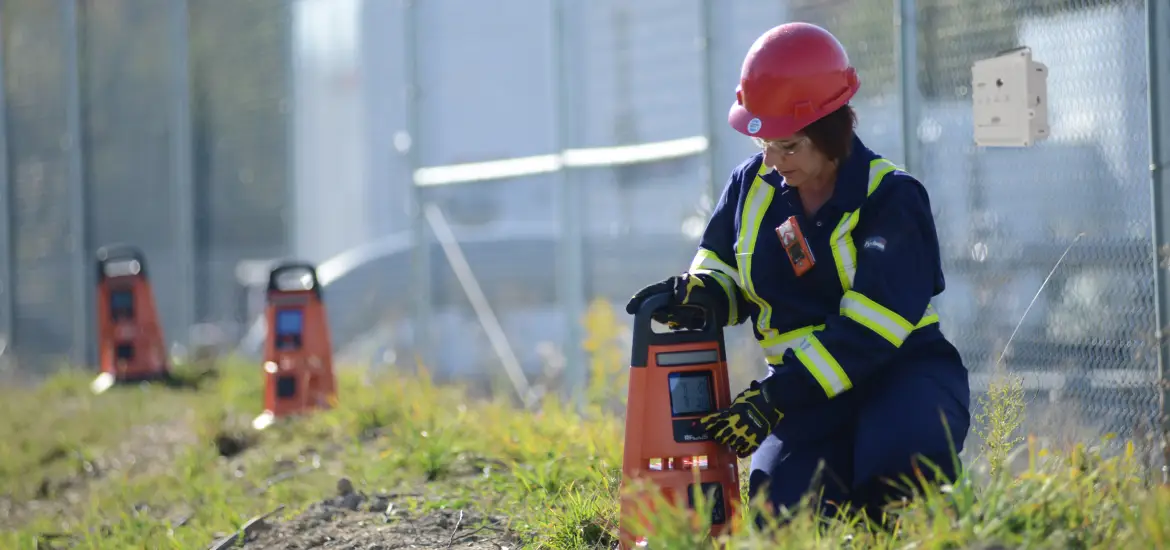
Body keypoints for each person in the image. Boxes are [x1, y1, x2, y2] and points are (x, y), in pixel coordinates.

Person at [624, 22, 971, 526]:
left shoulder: (891, 198)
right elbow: (725, 270)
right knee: (778, 517)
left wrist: (774, 398)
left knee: (899, 467)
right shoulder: (751, 184)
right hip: (805, 400)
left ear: (833, 134)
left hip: (900, 379)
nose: (772, 160)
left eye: (789, 146)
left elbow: (871, 331)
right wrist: (700, 296)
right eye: (764, 142)